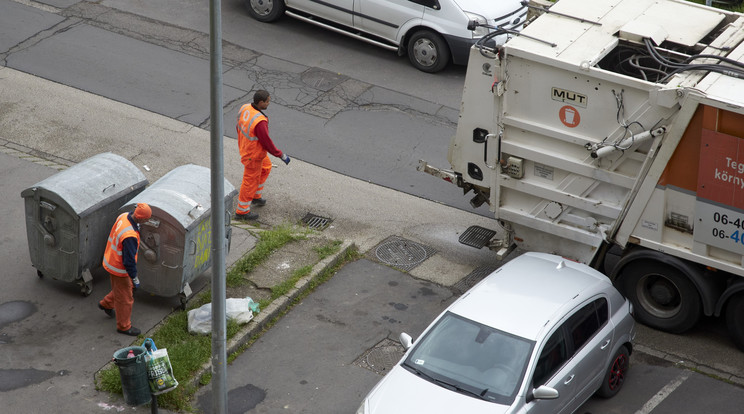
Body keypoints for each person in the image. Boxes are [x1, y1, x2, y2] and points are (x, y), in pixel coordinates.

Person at [235, 89, 290, 221]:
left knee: (266, 167)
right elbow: (267, 143)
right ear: (260, 103)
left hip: (252, 150)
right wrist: (281, 155)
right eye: (267, 101)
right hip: (252, 154)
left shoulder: (245, 108)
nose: (269, 104)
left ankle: (255, 196)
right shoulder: (260, 122)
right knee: (249, 181)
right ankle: (242, 211)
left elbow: (238, 126)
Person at [98, 203, 152, 336]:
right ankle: (124, 326)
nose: (147, 222)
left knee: (121, 289)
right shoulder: (130, 236)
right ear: (141, 219)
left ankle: (106, 304)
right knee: (126, 298)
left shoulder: (123, 217)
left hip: (111, 259)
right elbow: (129, 262)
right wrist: (134, 278)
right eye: (146, 219)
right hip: (119, 268)